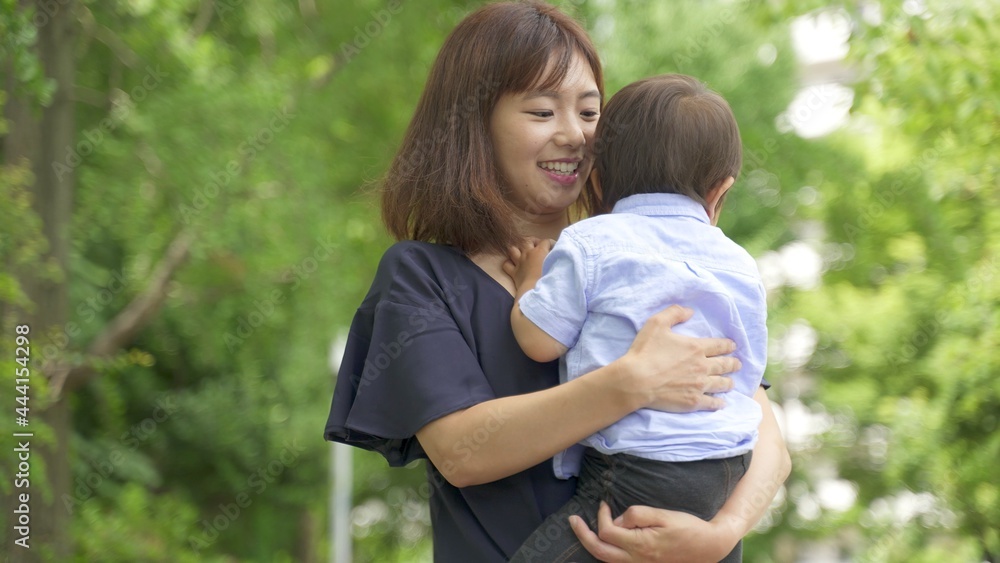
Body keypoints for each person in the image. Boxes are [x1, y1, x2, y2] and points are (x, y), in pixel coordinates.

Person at [323, 3, 790, 562]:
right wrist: (630, 382)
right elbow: (462, 452)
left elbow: (765, 434)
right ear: (474, 126)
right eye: (542, 112)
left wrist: (723, 531)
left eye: (591, 113)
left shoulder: (642, 262)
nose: (574, 136)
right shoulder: (424, 277)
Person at [506, 74, 766, 562]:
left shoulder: (590, 243)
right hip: (728, 469)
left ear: (597, 178)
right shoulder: (740, 263)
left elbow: (540, 342)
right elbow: (750, 375)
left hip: (639, 470)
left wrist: (529, 284)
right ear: (720, 190)